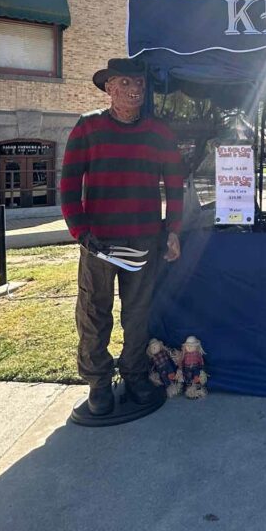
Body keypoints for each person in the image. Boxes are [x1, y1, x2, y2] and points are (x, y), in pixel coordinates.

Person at [60, 58, 184, 416]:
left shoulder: (159, 132)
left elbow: (174, 184)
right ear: (109, 88)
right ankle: (98, 383)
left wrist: (173, 230)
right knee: (93, 313)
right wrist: (80, 231)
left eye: (139, 83)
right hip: (99, 242)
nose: (135, 89)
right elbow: (69, 184)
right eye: (125, 83)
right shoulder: (88, 127)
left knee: (138, 314)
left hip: (144, 239)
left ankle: (135, 375)